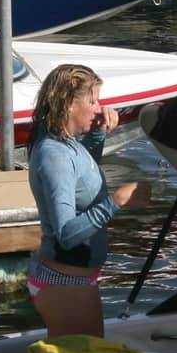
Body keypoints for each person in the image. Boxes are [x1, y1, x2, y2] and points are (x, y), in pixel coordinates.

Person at [25, 63, 149, 338]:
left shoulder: (61, 140)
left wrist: (97, 133)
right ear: (70, 103)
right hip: (65, 285)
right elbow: (67, 234)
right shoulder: (54, 155)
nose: (99, 108)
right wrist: (117, 201)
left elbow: (81, 170)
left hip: (73, 279)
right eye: (93, 102)